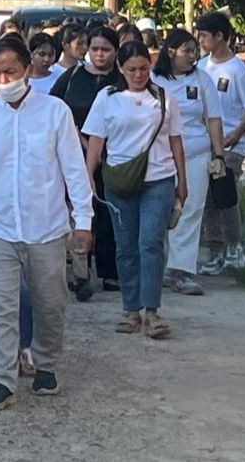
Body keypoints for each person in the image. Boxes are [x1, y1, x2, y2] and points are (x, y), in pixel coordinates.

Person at [0, 35, 93, 411]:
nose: (2, 80)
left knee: (50, 302)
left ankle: (45, 365)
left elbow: (73, 170)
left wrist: (83, 220)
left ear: (27, 69)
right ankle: (3, 380)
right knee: (1, 306)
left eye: (10, 72)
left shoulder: (55, 112)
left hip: (46, 227)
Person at [84, 41, 188, 339]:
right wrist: (88, 175)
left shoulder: (165, 98)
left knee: (151, 244)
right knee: (126, 246)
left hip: (159, 178)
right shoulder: (107, 97)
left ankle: (152, 310)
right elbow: (96, 140)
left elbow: (176, 140)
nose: (139, 75)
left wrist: (183, 180)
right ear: (121, 68)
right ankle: (131, 309)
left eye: (144, 68)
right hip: (119, 180)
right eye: (132, 69)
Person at [153, 28, 226, 296]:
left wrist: (218, 155)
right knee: (160, 210)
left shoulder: (202, 79)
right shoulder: (153, 78)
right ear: (170, 51)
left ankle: (180, 271)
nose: (192, 56)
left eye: (194, 51)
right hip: (161, 156)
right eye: (187, 51)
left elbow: (214, 119)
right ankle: (157, 267)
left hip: (195, 153)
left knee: (191, 210)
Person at [51, 26, 122, 299]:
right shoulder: (72, 77)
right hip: (73, 156)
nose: (100, 54)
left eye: (106, 49)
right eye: (95, 49)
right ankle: (80, 274)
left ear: (115, 50)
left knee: (106, 215)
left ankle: (110, 271)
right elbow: (55, 110)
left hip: (112, 158)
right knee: (76, 213)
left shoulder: (122, 79)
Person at [195, 11, 245, 273]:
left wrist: (236, 135)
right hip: (206, 143)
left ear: (220, 36)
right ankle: (215, 250)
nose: (200, 40)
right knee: (209, 198)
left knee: (225, 194)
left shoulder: (237, 70)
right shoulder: (201, 66)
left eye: (204, 35)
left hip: (231, 145)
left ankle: (234, 247)